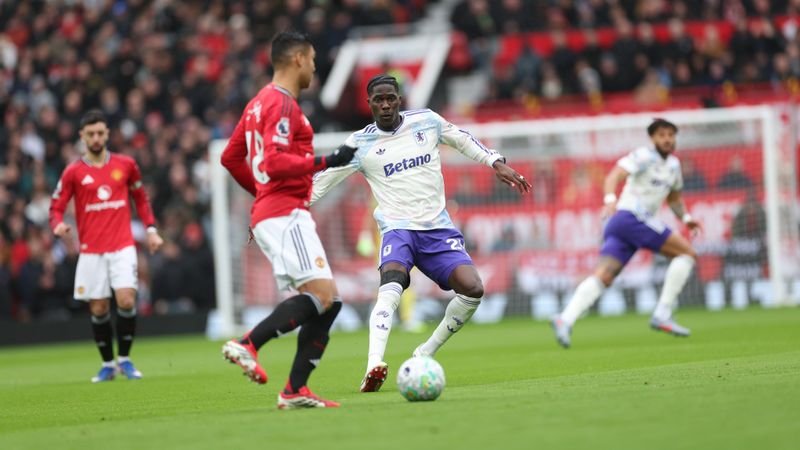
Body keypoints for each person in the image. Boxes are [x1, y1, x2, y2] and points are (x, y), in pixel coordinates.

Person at [311, 74, 531, 392]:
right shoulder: (359, 144)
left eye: (390, 98)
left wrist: (494, 161)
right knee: (392, 285)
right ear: (369, 103)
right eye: (378, 100)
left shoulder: (427, 121)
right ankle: (373, 364)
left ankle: (425, 351)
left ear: (399, 99)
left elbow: (462, 139)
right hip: (397, 229)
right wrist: (281, 210)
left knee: (473, 289)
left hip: (437, 230)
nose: (385, 105)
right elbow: (322, 182)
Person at [219, 31, 357, 409]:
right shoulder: (281, 104)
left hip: (276, 210)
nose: (314, 67)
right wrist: (328, 160)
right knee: (323, 297)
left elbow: (231, 158)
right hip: (285, 212)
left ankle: (295, 390)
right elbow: (275, 162)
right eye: (312, 60)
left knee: (330, 301)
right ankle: (248, 343)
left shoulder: (257, 104)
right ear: (298, 59)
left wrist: (261, 193)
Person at [551, 119, 702, 348]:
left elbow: (674, 199)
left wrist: (687, 219)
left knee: (604, 276)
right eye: (662, 135)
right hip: (631, 217)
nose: (667, 139)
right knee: (687, 254)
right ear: (652, 138)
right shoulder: (643, 156)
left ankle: (566, 318)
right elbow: (614, 176)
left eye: (671, 135)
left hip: (624, 225)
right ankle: (662, 313)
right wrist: (610, 199)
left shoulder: (673, 165)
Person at [48, 109, 164, 382]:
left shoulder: (126, 165)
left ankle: (125, 359)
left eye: (100, 133)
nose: (96, 138)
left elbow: (141, 198)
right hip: (91, 250)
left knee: (126, 299)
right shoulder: (74, 172)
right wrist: (57, 225)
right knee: (99, 308)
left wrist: (151, 230)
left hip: (122, 245)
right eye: (91, 134)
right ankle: (108, 364)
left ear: (108, 134)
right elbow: (56, 205)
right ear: (82, 136)